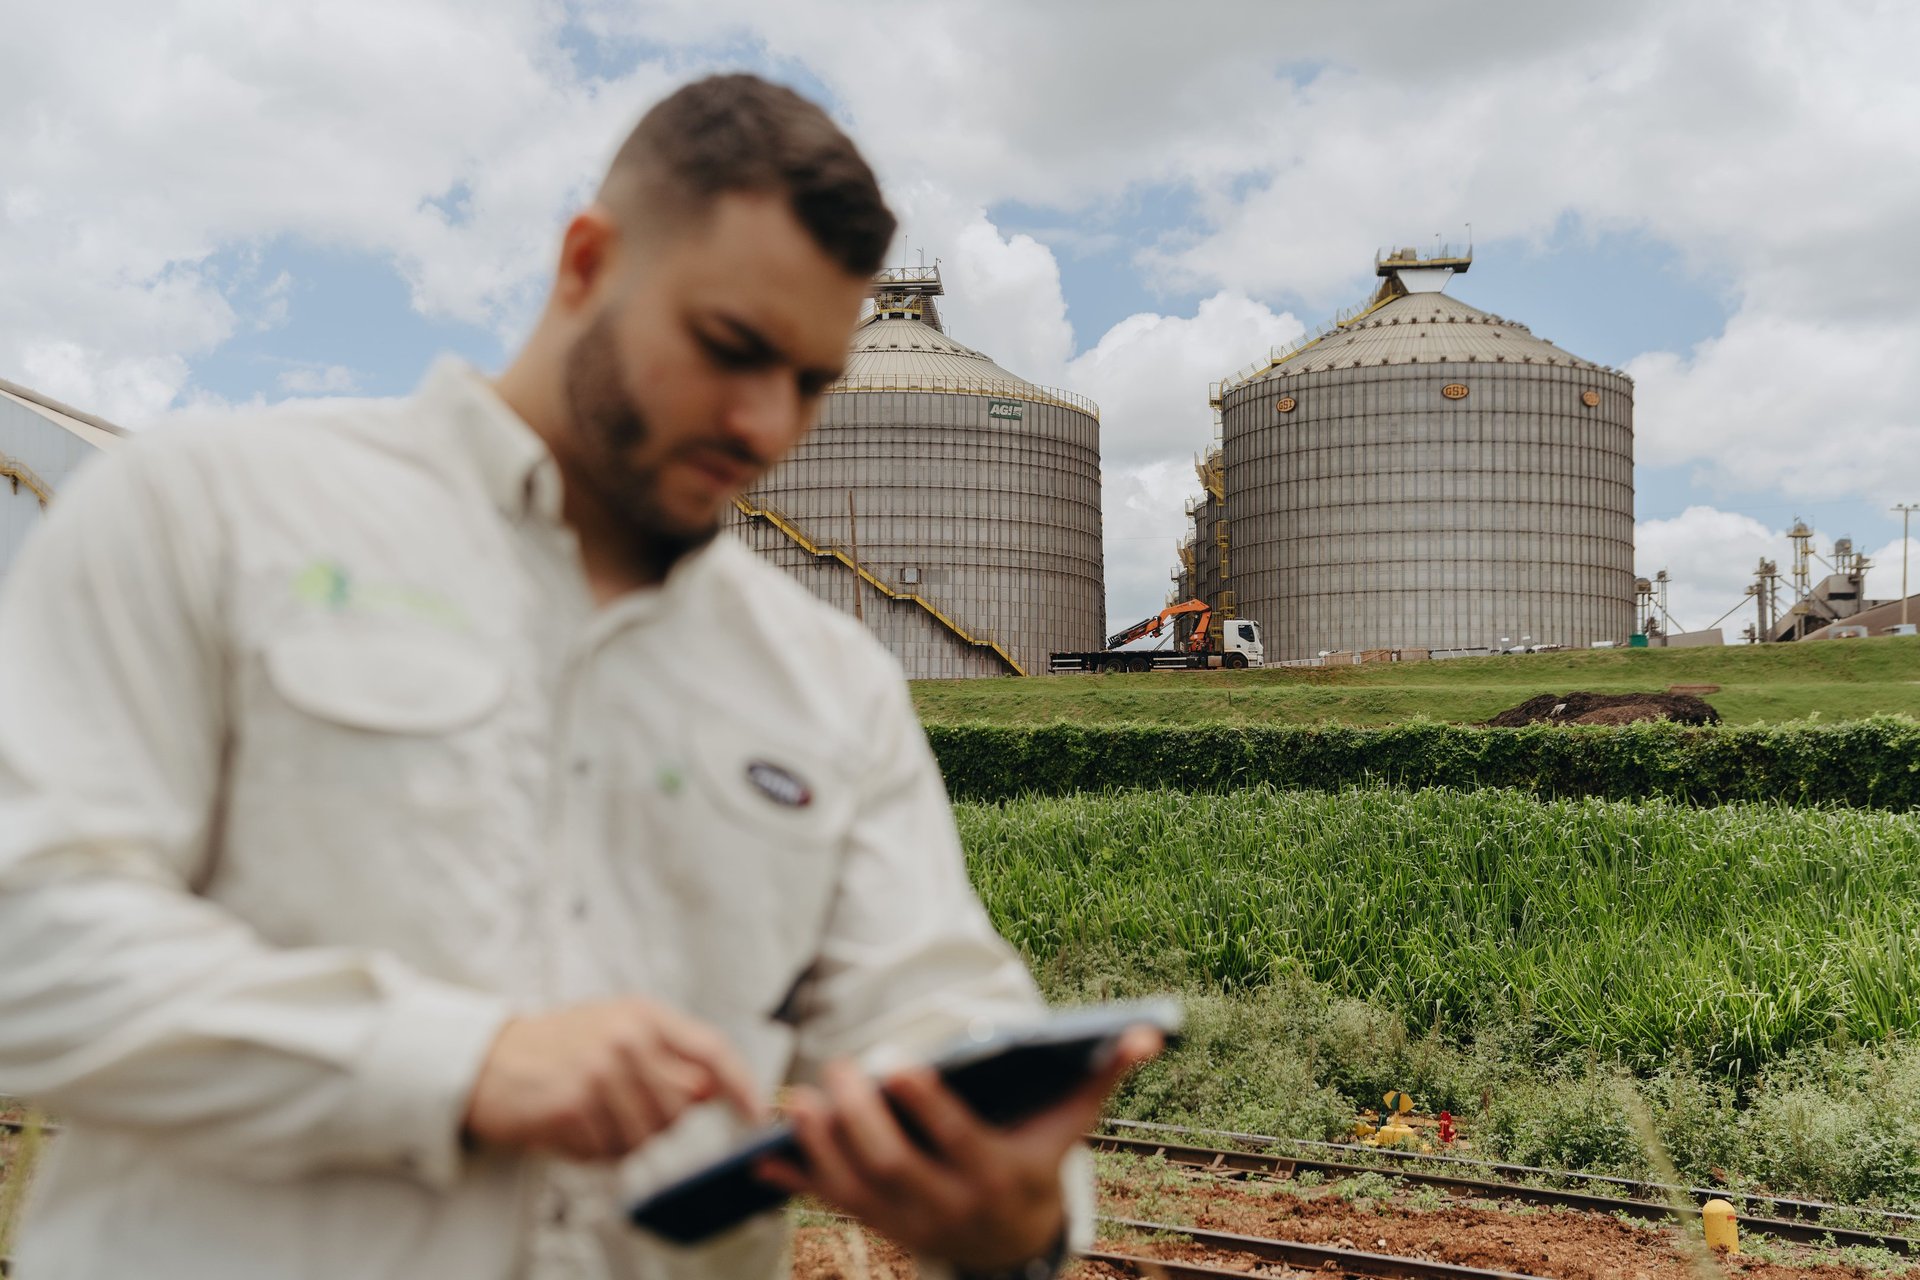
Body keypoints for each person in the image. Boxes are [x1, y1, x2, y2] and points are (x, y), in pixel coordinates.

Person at [0, 74, 1158, 1280]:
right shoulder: (208, 512)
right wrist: (463, 1061)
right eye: (729, 347)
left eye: (813, 383)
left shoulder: (827, 684)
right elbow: (28, 937)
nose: (767, 424)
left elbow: (935, 1010)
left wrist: (1013, 1208)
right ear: (586, 260)